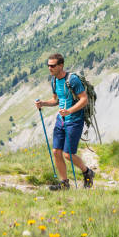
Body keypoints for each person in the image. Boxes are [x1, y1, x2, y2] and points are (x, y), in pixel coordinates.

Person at [35, 53, 95, 190]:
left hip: (74, 121)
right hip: (60, 121)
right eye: (48, 65)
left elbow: (84, 99)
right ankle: (64, 184)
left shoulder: (72, 80)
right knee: (56, 152)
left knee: (68, 154)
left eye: (53, 66)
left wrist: (69, 111)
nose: (50, 68)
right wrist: (43, 103)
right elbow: (56, 100)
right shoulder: (54, 81)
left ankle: (87, 172)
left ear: (61, 65)